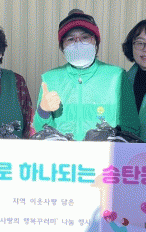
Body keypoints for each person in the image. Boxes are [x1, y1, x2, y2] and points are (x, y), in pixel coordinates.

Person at [33, 9, 140, 139]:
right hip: (62, 151)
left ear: (95, 41)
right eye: (71, 39)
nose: (78, 43)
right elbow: (40, 129)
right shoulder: (51, 78)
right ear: (62, 46)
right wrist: (43, 110)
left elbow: (131, 127)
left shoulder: (116, 76)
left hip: (103, 151)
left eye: (85, 37)